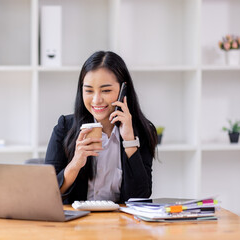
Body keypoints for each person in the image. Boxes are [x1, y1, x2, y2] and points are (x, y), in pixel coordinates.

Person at [45, 51, 157, 204]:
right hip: (75, 223)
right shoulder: (65, 127)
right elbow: (48, 193)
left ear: (123, 89)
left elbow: (140, 197)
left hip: (121, 224)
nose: (96, 100)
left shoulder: (142, 131)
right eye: (89, 90)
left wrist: (130, 142)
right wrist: (76, 163)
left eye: (106, 90)